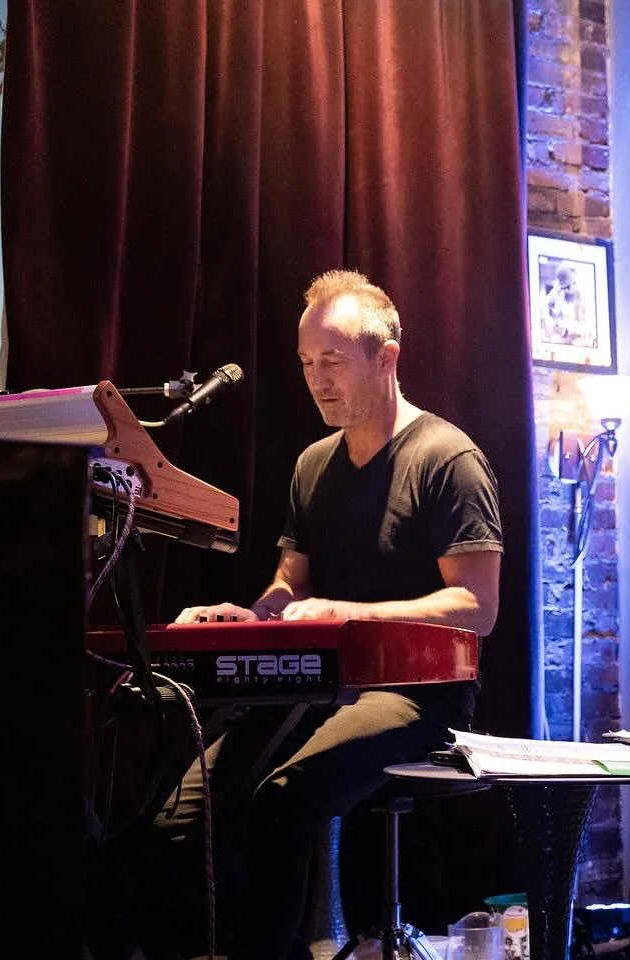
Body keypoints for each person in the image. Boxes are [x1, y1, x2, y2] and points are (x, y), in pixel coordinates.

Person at [160, 269, 503, 960]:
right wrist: (249, 617)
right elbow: (290, 583)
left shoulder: (447, 459)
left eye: (334, 362)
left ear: (387, 357)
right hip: (311, 683)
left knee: (283, 799)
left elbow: (478, 607)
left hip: (417, 695)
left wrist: (346, 612)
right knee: (179, 820)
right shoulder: (313, 463)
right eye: (308, 363)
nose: (318, 380)